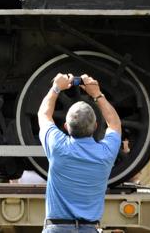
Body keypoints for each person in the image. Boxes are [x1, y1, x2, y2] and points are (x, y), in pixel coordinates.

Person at [38, 73, 121, 232]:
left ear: (66, 126)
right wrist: (97, 94)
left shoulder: (57, 147)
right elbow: (114, 124)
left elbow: (43, 114)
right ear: (96, 126)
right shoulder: (105, 153)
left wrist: (56, 88)